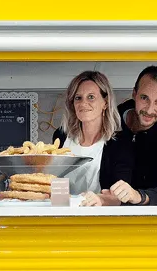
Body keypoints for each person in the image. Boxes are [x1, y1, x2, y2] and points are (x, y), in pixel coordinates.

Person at [110, 65, 157, 206]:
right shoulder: (109, 120)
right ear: (134, 94)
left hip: (149, 220)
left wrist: (139, 196)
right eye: (144, 98)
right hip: (98, 213)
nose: (150, 110)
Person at [53, 70, 132, 198]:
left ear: (105, 103)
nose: (83, 103)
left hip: (97, 215)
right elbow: (54, 180)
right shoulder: (61, 136)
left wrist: (97, 200)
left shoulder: (120, 143)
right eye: (78, 98)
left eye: (91, 97)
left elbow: (119, 197)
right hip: (62, 212)